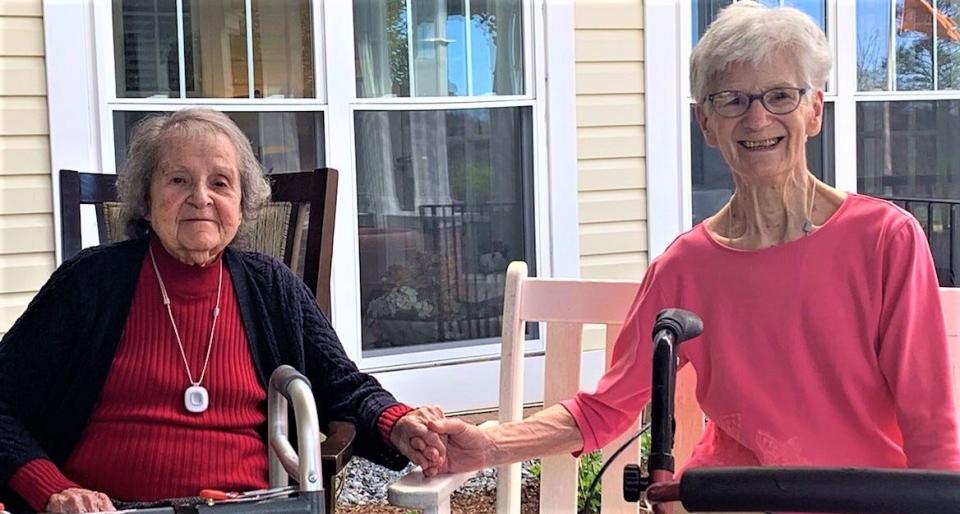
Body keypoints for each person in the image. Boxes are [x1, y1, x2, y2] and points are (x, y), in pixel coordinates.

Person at [429, 0, 960, 480]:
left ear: (814, 110)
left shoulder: (885, 241)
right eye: (730, 100)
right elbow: (606, 406)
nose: (756, 118)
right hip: (734, 500)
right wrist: (487, 445)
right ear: (705, 123)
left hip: (864, 501)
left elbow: (932, 424)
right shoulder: (685, 268)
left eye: (780, 95)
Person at [0, 108, 446, 514]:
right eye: (177, 180)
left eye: (220, 182)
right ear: (146, 197)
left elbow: (343, 386)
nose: (201, 197)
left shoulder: (271, 286)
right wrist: (53, 489)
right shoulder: (89, 283)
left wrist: (399, 423)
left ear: (242, 200)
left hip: (246, 507)